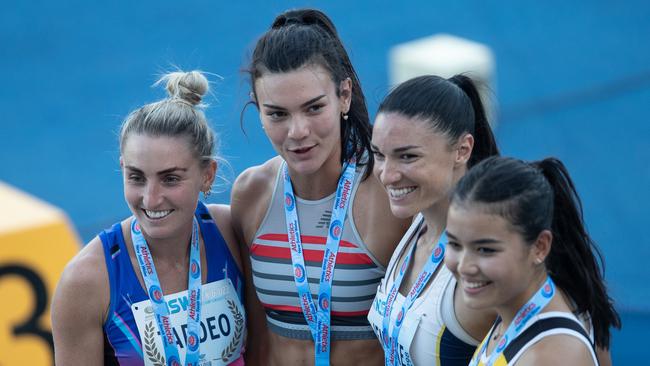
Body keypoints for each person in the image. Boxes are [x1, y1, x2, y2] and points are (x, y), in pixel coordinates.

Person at [231, 8, 412, 366]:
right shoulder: (251, 194)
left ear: (344, 95)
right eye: (277, 114)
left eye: (313, 108)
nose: (297, 131)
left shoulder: (389, 193)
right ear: (258, 111)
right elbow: (257, 339)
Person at [51, 70, 246, 365]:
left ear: (208, 175)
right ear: (122, 168)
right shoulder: (88, 281)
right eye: (136, 177)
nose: (151, 199)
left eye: (170, 179)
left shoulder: (233, 234)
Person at [367, 74, 500, 365]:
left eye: (408, 157)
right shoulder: (417, 224)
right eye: (379, 155)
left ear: (462, 150)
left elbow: (570, 341)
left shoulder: (490, 257)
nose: (387, 175)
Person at [444, 156, 621, 366]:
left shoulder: (552, 356)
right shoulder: (510, 309)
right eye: (455, 244)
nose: (464, 266)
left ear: (540, 247)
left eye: (485, 249)